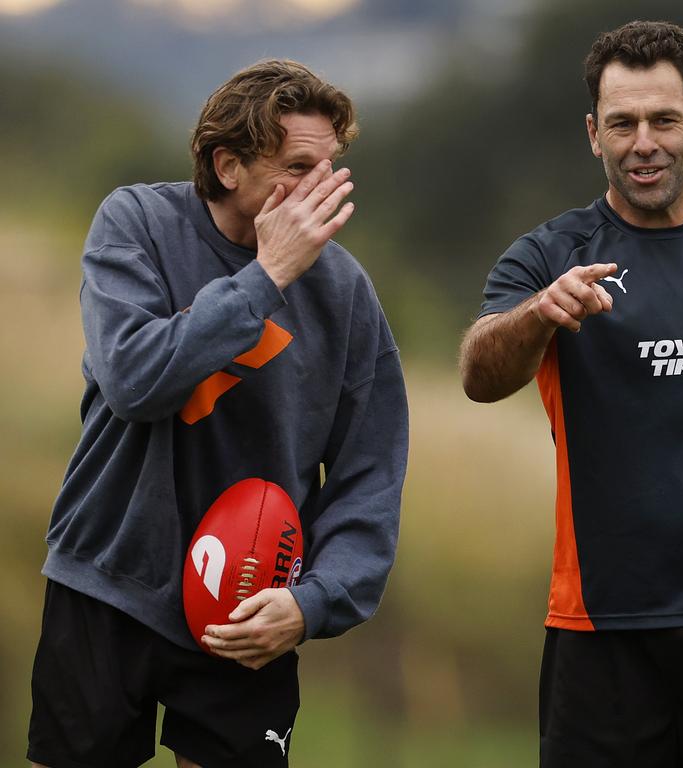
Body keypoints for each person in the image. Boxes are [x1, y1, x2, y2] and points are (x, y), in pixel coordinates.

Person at [27, 59, 408, 768]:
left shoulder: (348, 293)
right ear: (228, 164)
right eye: (298, 166)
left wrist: (313, 602)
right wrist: (266, 278)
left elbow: (370, 476)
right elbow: (135, 379)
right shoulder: (135, 223)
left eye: (330, 170)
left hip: (250, 603)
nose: (319, 192)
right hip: (107, 583)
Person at [460, 20, 683, 767]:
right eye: (622, 123)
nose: (643, 142)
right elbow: (478, 374)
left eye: (663, 120)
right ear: (594, 133)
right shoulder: (554, 256)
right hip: (598, 627)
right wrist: (537, 314)